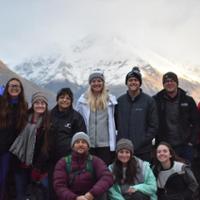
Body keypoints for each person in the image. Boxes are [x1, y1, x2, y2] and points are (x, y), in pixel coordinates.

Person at [9, 91, 50, 200]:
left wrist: (38, 167)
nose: (40, 105)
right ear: (33, 104)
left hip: (37, 167)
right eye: (37, 102)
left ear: (46, 105)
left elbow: (47, 147)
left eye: (42, 103)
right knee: (20, 194)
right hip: (20, 163)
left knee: (37, 194)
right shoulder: (23, 118)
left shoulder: (49, 122)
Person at [49, 88, 86, 199]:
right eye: (62, 97)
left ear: (71, 101)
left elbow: (82, 139)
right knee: (53, 188)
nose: (64, 100)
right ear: (57, 99)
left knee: (69, 189)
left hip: (69, 160)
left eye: (68, 98)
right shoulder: (49, 115)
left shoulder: (76, 117)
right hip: (51, 160)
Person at [153, 72, 199, 163]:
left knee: (186, 173)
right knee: (167, 173)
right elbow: (152, 122)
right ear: (163, 84)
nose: (169, 83)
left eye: (172, 81)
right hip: (165, 147)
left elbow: (197, 122)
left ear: (177, 83)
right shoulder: (156, 100)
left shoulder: (188, 100)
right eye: (166, 81)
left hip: (185, 146)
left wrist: (191, 142)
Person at [53, 131, 114, 200]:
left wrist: (92, 194)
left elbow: (107, 177)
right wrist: (76, 198)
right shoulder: (63, 162)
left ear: (88, 146)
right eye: (77, 142)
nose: (80, 145)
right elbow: (59, 186)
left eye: (84, 142)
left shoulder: (95, 161)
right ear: (72, 146)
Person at [115, 67, 158, 162]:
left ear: (140, 83)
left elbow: (153, 125)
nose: (133, 82)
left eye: (136, 80)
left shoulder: (149, 101)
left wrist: (143, 141)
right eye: (130, 80)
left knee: (143, 175)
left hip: (143, 150)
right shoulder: (119, 101)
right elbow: (115, 124)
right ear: (126, 83)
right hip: (123, 151)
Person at [76, 69, 117, 165]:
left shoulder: (111, 101)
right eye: (93, 81)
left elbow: (115, 120)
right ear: (90, 84)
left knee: (104, 171)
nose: (96, 83)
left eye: (99, 81)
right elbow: (77, 119)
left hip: (105, 145)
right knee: (89, 172)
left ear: (103, 83)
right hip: (88, 144)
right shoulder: (83, 100)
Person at [0, 77, 28, 199]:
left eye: (17, 86)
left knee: (15, 179)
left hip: (17, 149)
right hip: (3, 147)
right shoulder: (1, 103)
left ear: (21, 89)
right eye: (12, 85)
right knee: (2, 177)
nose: (14, 88)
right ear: (7, 88)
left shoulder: (24, 106)